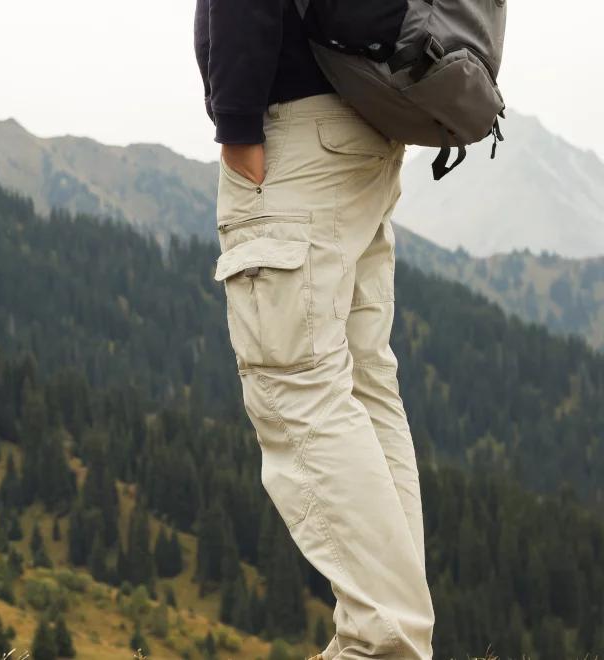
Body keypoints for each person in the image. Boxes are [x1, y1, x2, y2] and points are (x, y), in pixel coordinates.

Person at [196, 2, 435, 657]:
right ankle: (388, 632)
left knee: (296, 386)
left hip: (296, 135)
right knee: (361, 383)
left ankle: (381, 641)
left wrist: (238, 119)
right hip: (365, 124)